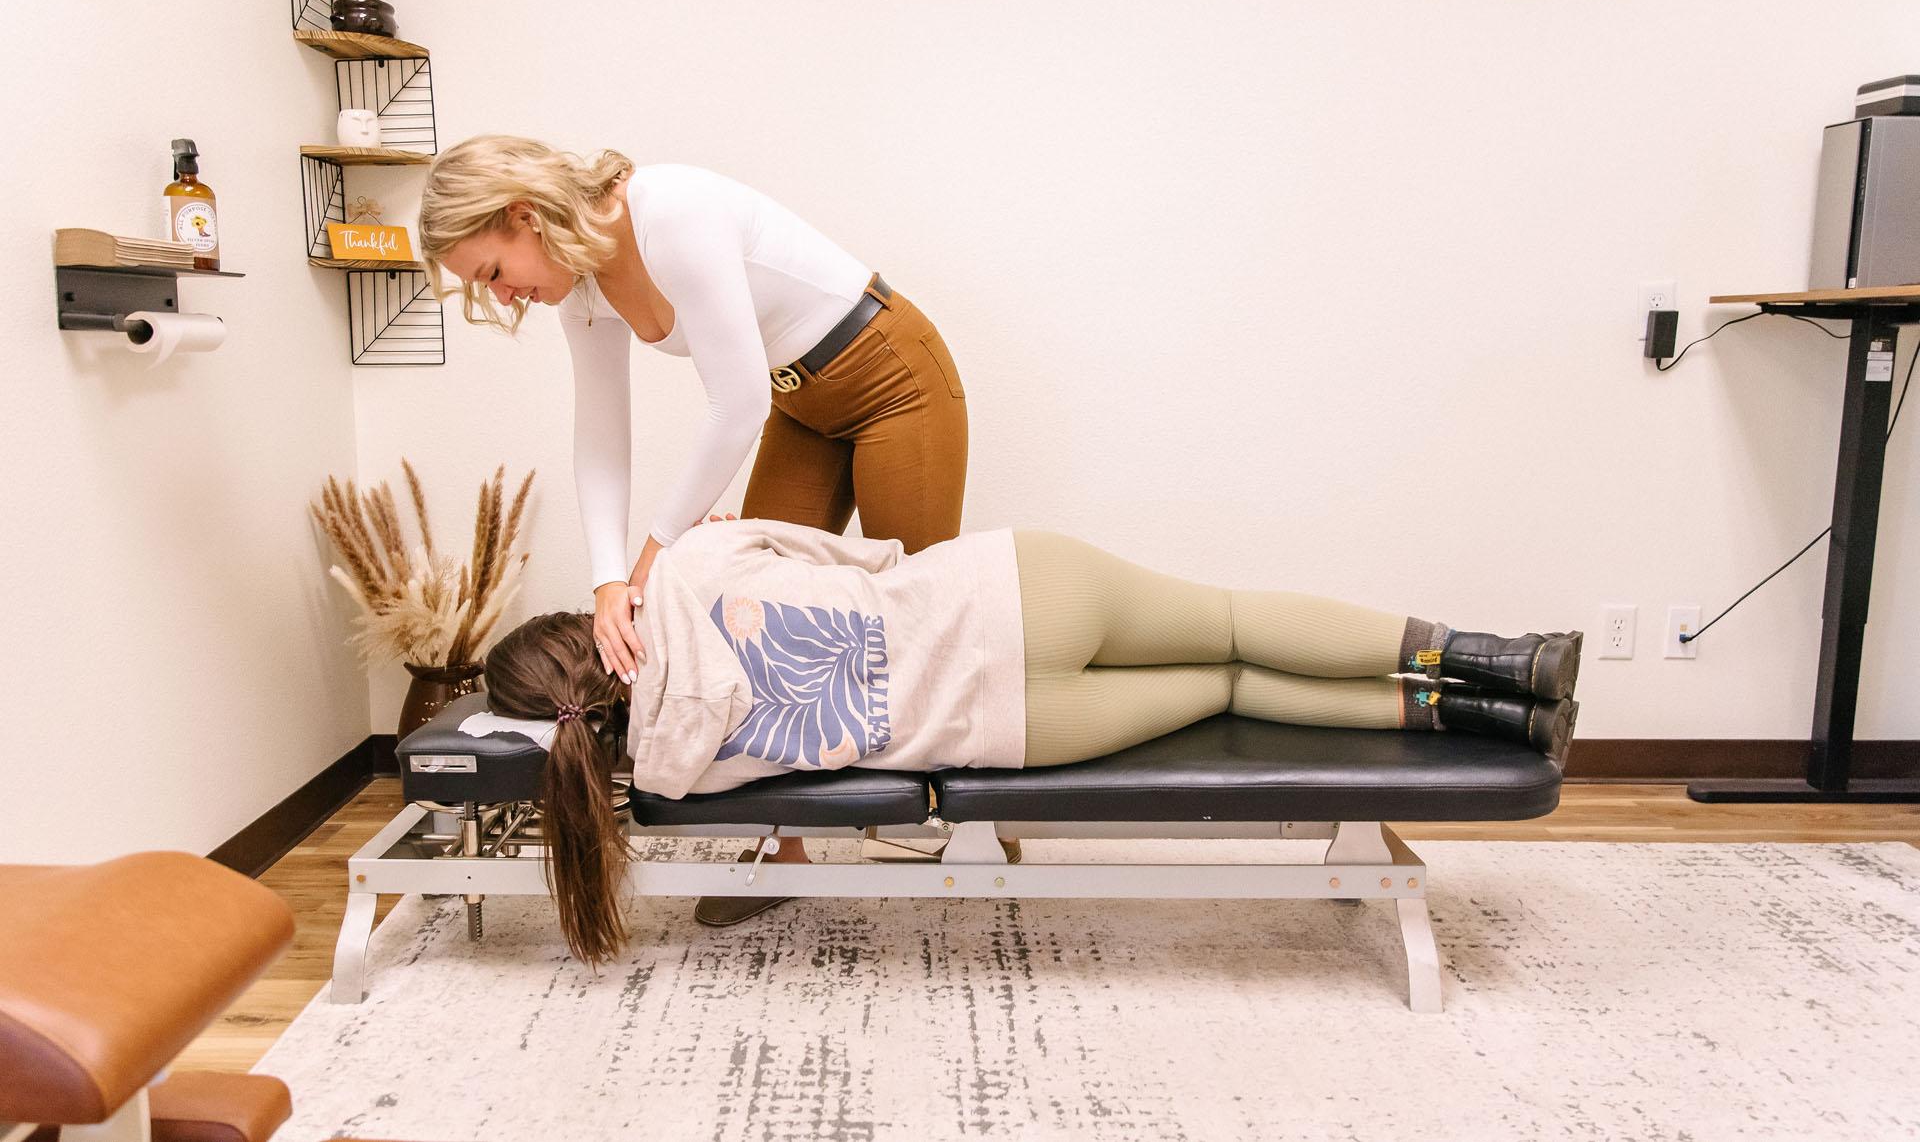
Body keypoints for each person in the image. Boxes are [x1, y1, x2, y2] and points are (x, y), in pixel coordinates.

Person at [482, 518, 1582, 964]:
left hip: (1013, 723)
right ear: (585, 626)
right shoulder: (685, 565)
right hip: (1014, 585)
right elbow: (864, 554)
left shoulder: (670, 768)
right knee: (1241, 619)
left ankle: (1472, 720)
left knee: (1232, 683)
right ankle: (1502, 663)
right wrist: (650, 568)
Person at [420, 136, 972, 924]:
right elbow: (601, 436)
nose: (502, 298)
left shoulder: (671, 211)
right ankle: (786, 850)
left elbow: (735, 401)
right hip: (800, 400)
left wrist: (655, 551)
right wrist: (609, 577)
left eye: (493, 274)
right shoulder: (576, 289)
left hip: (889, 376)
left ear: (524, 217)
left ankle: (981, 823)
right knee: (758, 625)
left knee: (927, 608)